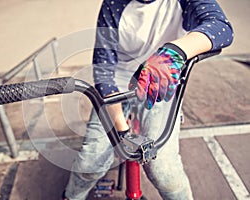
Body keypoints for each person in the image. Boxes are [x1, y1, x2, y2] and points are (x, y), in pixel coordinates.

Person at [63, 0, 233, 199]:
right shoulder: (113, 4)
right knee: (89, 164)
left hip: (158, 89)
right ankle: (71, 196)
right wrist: (121, 129)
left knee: (163, 171)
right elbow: (103, 70)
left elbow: (221, 27)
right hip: (115, 89)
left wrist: (173, 52)